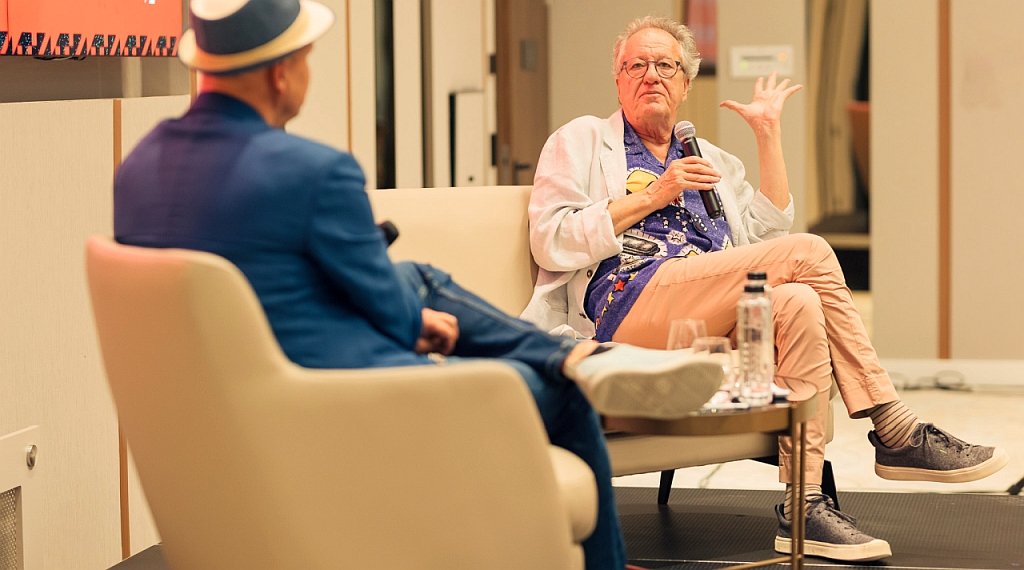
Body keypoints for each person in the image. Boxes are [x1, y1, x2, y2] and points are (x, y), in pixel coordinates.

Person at [112, 2, 725, 569]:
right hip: (346, 399)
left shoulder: (139, 169)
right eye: (306, 59)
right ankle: (575, 374)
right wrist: (413, 322)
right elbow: (384, 310)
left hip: (242, 405)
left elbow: (250, 290)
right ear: (280, 73)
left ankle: (571, 354)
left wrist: (403, 306)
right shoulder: (311, 174)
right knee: (558, 393)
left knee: (413, 279)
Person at [523, 15, 1009, 563]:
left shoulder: (707, 156)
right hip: (627, 304)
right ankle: (892, 425)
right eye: (636, 65)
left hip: (712, 314)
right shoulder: (581, 140)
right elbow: (551, 239)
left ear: (685, 83)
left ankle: (804, 504)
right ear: (618, 79)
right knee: (811, 251)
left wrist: (767, 134)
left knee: (798, 300)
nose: (650, 75)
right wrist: (654, 196)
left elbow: (767, 237)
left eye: (664, 65)